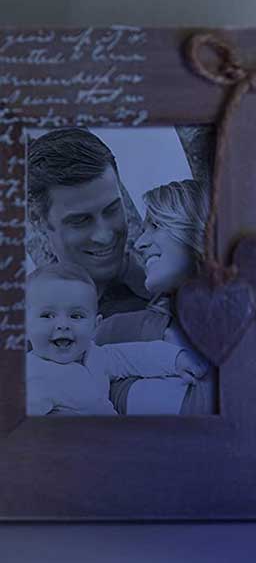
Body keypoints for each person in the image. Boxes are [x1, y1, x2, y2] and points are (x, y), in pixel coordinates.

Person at [97, 178, 216, 415]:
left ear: (200, 229)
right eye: (143, 230)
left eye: (156, 225)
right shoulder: (115, 331)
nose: (140, 243)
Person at [25, 264, 205, 417]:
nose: (63, 325)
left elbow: (138, 356)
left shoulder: (96, 355)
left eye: (76, 316)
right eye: (47, 315)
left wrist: (176, 359)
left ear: (95, 326)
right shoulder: (33, 376)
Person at [27, 128, 149, 318]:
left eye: (112, 209)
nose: (104, 236)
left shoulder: (178, 286)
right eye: (81, 220)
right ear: (38, 220)